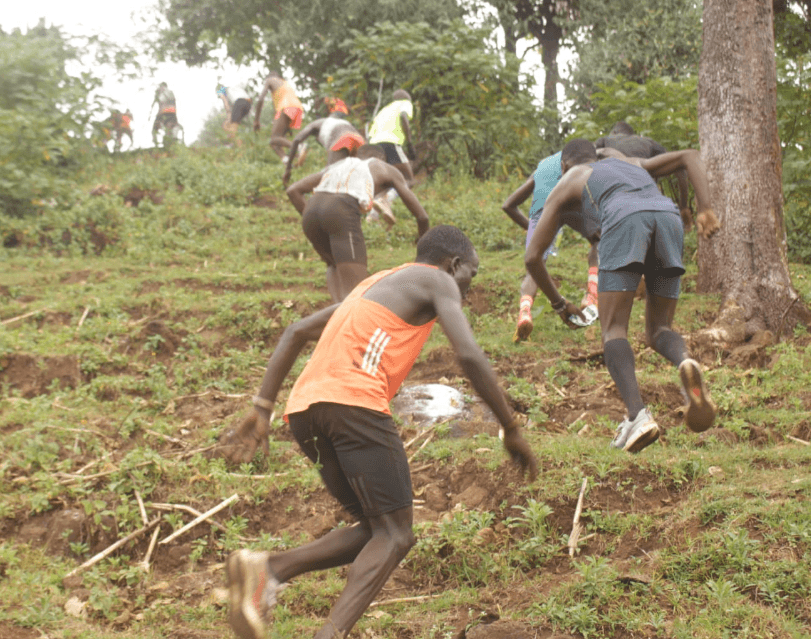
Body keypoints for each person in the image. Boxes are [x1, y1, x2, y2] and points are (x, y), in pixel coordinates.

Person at [222, 224, 538, 639]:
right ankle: (329, 634)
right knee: (397, 534)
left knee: (376, 530)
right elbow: (469, 354)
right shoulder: (437, 278)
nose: (468, 288)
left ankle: (270, 569)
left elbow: (296, 330)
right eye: (471, 275)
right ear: (454, 264)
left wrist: (262, 408)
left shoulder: (374, 285)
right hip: (354, 402)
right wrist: (511, 427)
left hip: (304, 413)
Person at [525, 138, 721, 453]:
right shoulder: (631, 163)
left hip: (625, 217)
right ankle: (685, 362)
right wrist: (705, 209)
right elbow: (690, 156)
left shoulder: (570, 180)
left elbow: (533, 256)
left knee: (614, 329)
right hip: (667, 218)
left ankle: (637, 416)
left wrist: (560, 304)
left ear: (564, 166)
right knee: (660, 330)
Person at [285, 145, 430, 302]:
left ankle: (338, 314)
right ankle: (341, 318)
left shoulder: (338, 166)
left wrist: (319, 217)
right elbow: (423, 217)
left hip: (311, 211)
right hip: (341, 209)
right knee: (355, 296)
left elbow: (293, 190)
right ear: (382, 159)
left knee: (333, 264)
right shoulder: (384, 167)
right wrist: (423, 256)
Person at [501, 150, 600, 342]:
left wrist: (536, 233)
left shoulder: (544, 166)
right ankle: (592, 295)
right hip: (575, 203)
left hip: (543, 209)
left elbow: (508, 205)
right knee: (599, 241)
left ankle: (525, 312)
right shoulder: (586, 160)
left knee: (534, 268)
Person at [595, 121, 692, 228]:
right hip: (650, 204)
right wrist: (683, 207)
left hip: (615, 204)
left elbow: (584, 162)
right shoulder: (648, 142)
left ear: (614, 132)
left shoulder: (605, 141)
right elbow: (680, 168)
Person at [367, 89, 417, 222]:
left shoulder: (384, 110)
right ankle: (386, 200)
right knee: (408, 179)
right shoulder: (404, 104)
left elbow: (372, 132)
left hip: (374, 146)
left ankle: (372, 215)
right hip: (390, 143)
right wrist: (410, 144)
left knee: (385, 181)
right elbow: (403, 117)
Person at [282, 116, 366, 187]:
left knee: (329, 180)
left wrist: (288, 168)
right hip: (360, 140)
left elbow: (296, 140)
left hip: (342, 139)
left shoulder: (314, 125)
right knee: (357, 180)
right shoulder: (336, 122)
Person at [253, 72, 304, 161]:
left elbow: (261, 99)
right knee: (275, 143)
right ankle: (287, 161)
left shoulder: (270, 79)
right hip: (296, 107)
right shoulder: (284, 84)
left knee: (274, 138)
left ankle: (299, 147)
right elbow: (276, 110)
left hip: (286, 106)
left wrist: (256, 120)